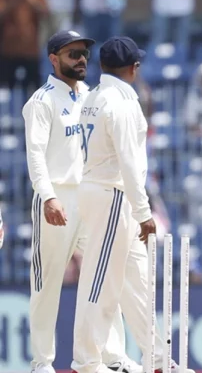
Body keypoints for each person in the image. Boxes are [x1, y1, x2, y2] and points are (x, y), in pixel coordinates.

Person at [72, 36, 192, 373]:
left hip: (104, 192)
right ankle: (85, 361)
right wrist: (144, 214)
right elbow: (129, 162)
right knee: (101, 282)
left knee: (138, 282)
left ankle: (157, 359)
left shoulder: (93, 97)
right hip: (112, 195)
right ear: (133, 67)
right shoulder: (121, 103)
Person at [22, 30, 140, 373]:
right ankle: (42, 362)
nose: (82, 59)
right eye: (73, 54)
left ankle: (112, 356)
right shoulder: (42, 101)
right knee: (46, 284)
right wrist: (48, 196)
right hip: (56, 197)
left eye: (84, 53)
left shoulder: (91, 95)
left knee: (105, 276)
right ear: (53, 59)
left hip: (90, 196)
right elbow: (35, 156)